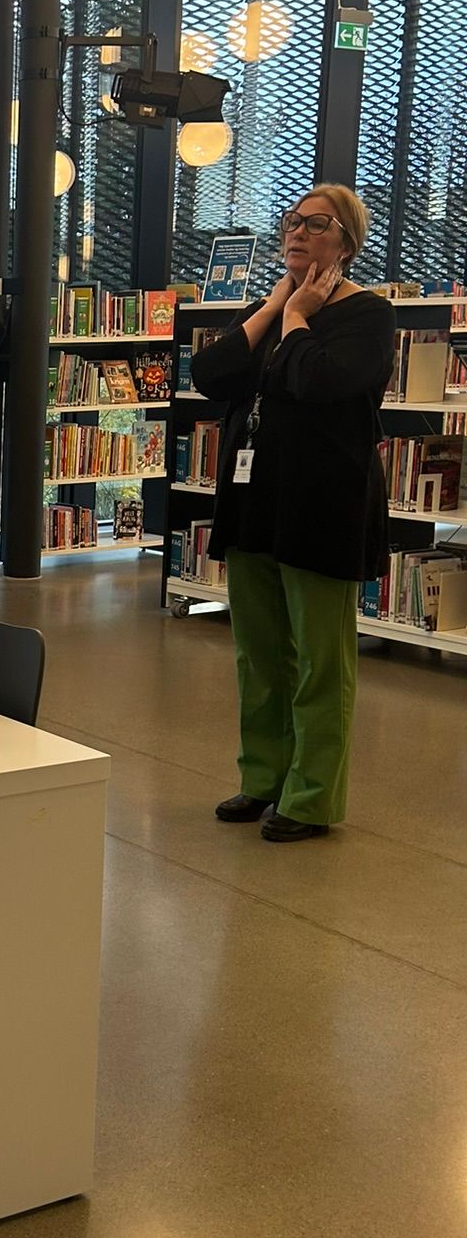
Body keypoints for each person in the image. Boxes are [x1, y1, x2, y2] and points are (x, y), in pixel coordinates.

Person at [190, 184, 395, 842]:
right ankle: (263, 778)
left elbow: (322, 382)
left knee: (320, 663)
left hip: (322, 508)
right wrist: (275, 306)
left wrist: (301, 318)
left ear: (345, 243)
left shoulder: (368, 315)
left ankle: (310, 797)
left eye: (316, 224)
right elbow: (211, 374)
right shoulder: (270, 307)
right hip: (255, 505)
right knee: (258, 655)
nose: (298, 232)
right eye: (292, 221)